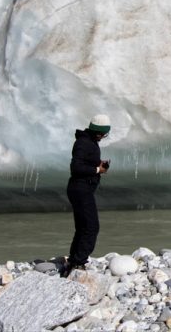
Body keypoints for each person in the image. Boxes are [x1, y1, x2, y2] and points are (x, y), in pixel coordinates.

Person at [62, 114, 111, 277]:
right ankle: (78, 262)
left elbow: (84, 162)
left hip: (82, 189)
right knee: (90, 227)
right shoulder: (84, 143)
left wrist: (97, 164)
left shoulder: (89, 141)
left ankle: (74, 260)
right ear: (98, 132)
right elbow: (76, 167)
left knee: (83, 227)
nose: (104, 137)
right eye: (103, 134)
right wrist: (97, 169)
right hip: (80, 189)